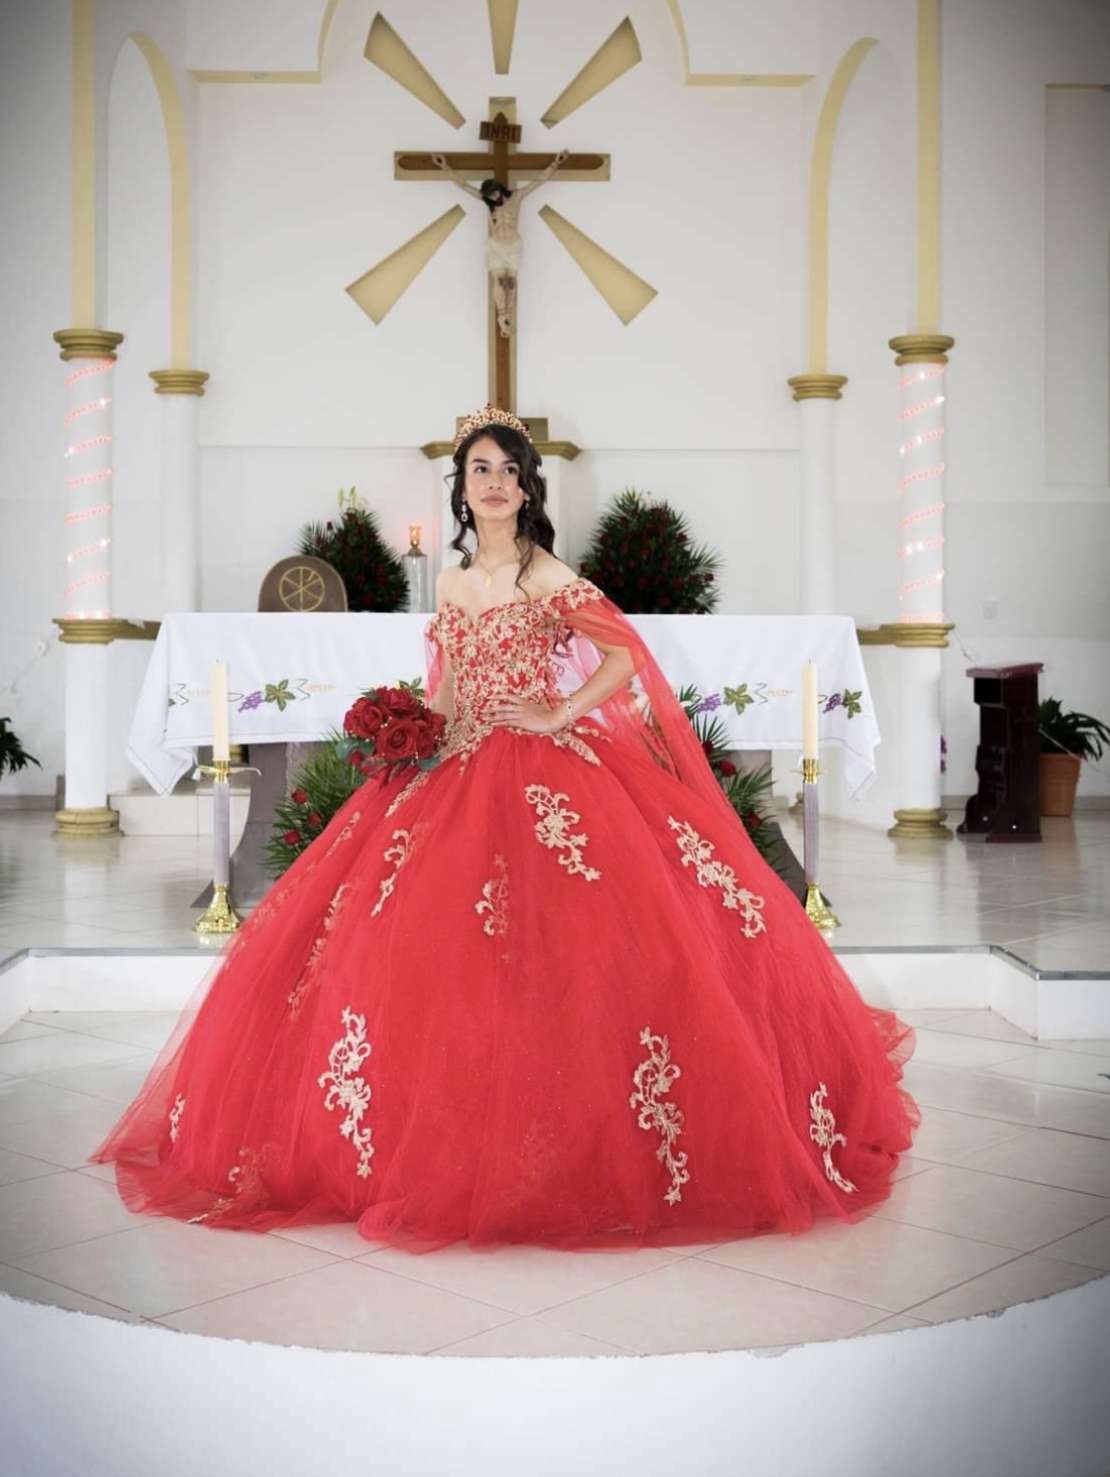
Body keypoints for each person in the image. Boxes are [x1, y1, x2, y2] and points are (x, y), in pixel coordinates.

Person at [92, 405, 917, 1252]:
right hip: (455, 766)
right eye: (480, 470)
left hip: (543, 767)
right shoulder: (451, 584)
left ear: (527, 489)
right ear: (463, 487)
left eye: (508, 472)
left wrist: (561, 711)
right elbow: (448, 682)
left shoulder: (546, 574)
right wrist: (417, 734)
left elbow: (627, 654)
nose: (494, 484)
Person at [431, 150, 569, 336]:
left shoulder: (516, 196)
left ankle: (508, 316)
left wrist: (556, 163)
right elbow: (463, 185)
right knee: (498, 279)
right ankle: (501, 315)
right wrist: (445, 167)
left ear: (499, 188)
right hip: (496, 245)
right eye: (490, 196)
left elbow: (538, 182)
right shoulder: (487, 201)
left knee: (511, 281)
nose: (494, 198)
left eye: (494, 193)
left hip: (513, 245)